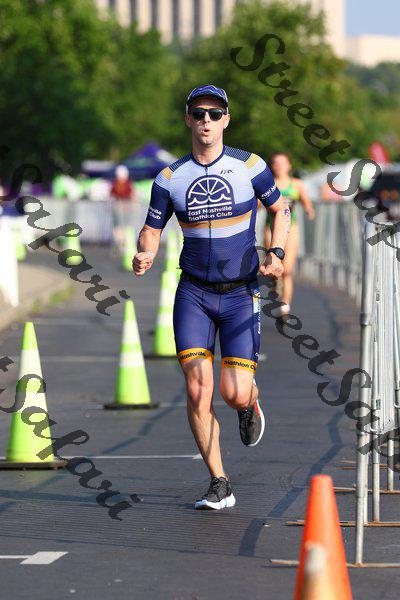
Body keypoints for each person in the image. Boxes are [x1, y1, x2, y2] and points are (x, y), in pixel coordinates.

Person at [133, 85, 290, 510]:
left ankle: (249, 403)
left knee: (233, 392)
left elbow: (281, 208)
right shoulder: (169, 178)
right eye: (199, 113)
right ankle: (219, 481)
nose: (207, 120)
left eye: (215, 114)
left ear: (226, 120)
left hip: (240, 293)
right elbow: (151, 228)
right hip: (194, 294)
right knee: (198, 390)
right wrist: (145, 252)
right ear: (188, 119)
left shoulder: (250, 166)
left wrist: (276, 252)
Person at [264, 152, 315, 316]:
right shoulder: (268, 184)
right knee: (272, 265)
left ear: (289, 165)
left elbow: (306, 202)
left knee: (287, 270)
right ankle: (274, 283)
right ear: (272, 166)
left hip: (291, 228)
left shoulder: (296, 184)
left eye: (282, 163)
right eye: (276, 163)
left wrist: (309, 210)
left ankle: (285, 305)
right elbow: (257, 204)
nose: (279, 166)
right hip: (271, 227)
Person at [110, 164, 137, 253]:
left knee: (118, 227)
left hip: (120, 207)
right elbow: (133, 195)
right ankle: (123, 244)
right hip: (124, 208)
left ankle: (121, 244)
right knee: (123, 227)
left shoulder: (116, 184)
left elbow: (111, 196)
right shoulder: (127, 184)